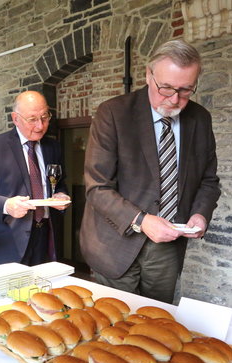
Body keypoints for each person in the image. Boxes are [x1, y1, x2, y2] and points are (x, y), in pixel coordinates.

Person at [79, 39, 221, 304]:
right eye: (166, 88)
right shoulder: (113, 113)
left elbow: (208, 181)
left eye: (186, 90)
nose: (175, 99)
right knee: (116, 329)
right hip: (114, 244)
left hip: (168, 249)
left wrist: (200, 214)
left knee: (157, 325)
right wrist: (142, 220)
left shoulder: (200, 118)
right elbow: (98, 188)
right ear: (148, 75)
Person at [0, 91, 70, 266]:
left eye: (45, 117)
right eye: (32, 119)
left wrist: (61, 194)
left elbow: (59, 182)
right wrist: (6, 205)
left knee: (42, 290)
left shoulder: (53, 147)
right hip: (8, 239)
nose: (40, 126)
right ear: (15, 118)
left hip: (45, 234)